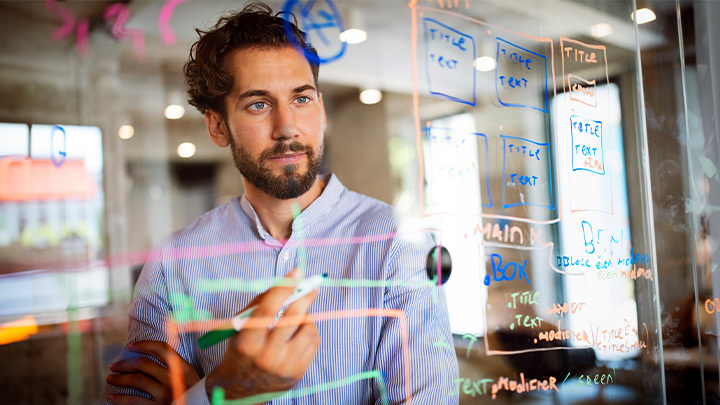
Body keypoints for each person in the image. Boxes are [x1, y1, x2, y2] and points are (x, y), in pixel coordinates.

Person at [104, 2, 458, 404]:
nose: (287, 127)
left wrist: (203, 395)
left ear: (321, 109)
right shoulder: (173, 261)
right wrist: (220, 392)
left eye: (302, 99)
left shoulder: (401, 245)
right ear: (218, 126)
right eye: (259, 103)